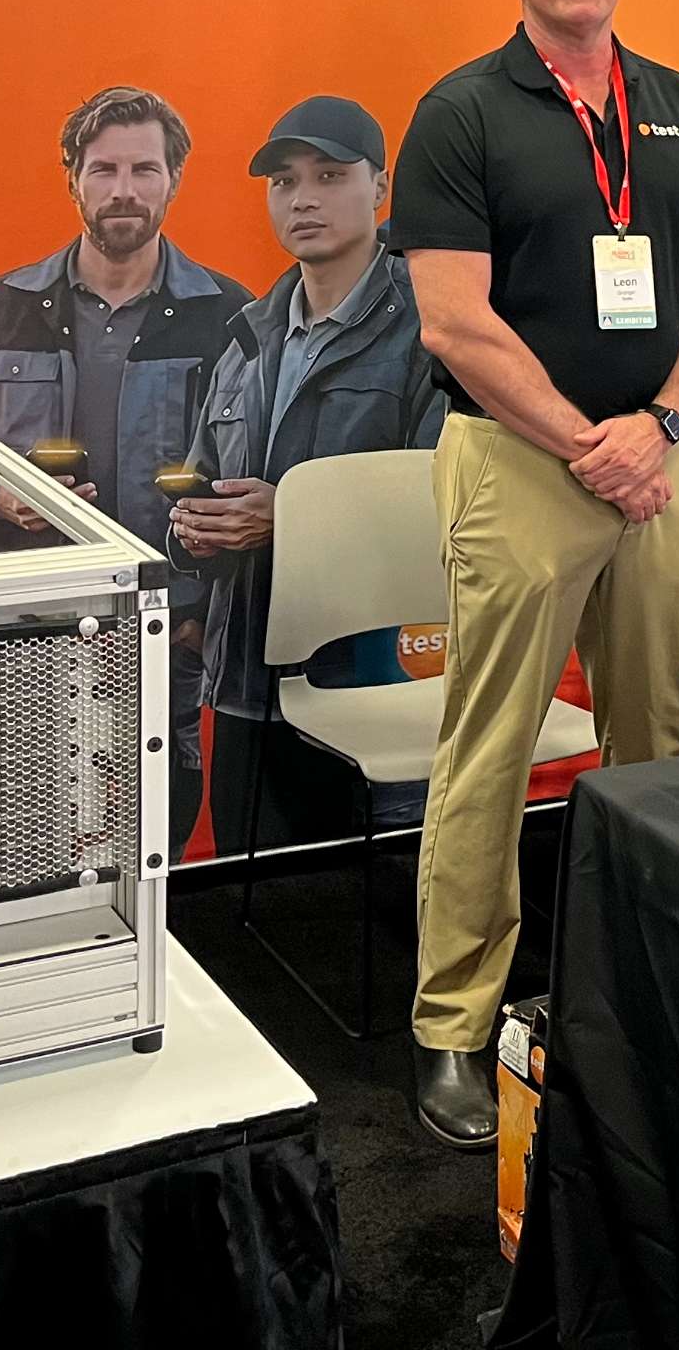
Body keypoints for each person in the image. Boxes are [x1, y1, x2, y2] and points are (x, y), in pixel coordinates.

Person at [394, 0, 679, 1149]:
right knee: (491, 747)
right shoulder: (462, 113)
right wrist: (591, 446)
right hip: (520, 466)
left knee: (659, 742)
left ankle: (650, 982)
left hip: (658, 461)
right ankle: (453, 1024)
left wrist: (662, 427)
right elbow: (453, 321)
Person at [0, 87, 253, 853]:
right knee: (21, 821)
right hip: (30, 623)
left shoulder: (228, 315)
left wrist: (201, 614)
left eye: (144, 170)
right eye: (104, 170)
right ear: (72, 179)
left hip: (168, 626)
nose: (124, 190)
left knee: (156, 826)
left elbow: (247, 479)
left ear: (173, 179)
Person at [165, 96, 444, 855]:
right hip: (246, 694)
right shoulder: (247, 336)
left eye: (329, 175)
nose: (303, 199)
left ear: (380, 188)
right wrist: (196, 532)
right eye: (284, 182)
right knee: (256, 913)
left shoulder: (432, 329)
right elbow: (199, 486)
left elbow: (446, 510)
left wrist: (290, 519)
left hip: (377, 692)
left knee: (377, 906)